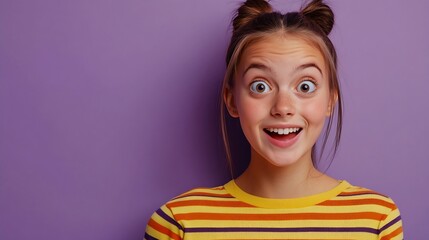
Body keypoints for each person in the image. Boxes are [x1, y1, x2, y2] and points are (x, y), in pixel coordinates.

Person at [144, 0, 403, 239]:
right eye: (260, 86)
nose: (283, 108)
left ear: (330, 100)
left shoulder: (376, 219)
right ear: (232, 100)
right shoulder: (179, 223)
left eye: (305, 86)